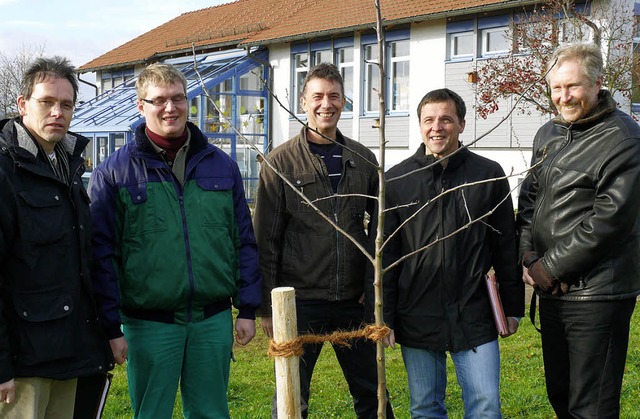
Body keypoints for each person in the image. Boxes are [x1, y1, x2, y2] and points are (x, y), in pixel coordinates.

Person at [88, 62, 261, 418]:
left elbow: (242, 240)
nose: (171, 108)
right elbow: (100, 255)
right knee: (151, 413)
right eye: (159, 100)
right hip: (149, 324)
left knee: (212, 412)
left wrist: (247, 308)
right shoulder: (115, 173)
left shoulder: (221, 166)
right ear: (141, 106)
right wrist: (110, 326)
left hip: (211, 321)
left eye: (179, 98)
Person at [254, 62, 394, 419]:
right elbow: (266, 239)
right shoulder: (280, 162)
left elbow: (381, 232)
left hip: (354, 300)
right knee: (291, 398)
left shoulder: (363, 159)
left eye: (333, 96)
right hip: (301, 302)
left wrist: (374, 292)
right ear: (303, 102)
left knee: (372, 394)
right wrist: (268, 307)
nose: (325, 104)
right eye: (317, 96)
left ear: (344, 102)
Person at [381, 88, 524, 417]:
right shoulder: (397, 181)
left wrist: (513, 307)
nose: (437, 127)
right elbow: (386, 257)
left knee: (485, 403)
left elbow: (505, 245)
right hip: (416, 313)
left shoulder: (487, 175)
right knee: (425, 406)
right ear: (419, 125)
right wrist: (385, 317)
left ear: (461, 124)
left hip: (474, 311)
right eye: (428, 120)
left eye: (446, 119)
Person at [518, 42, 640, 418]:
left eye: (572, 86)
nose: (563, 96)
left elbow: (609, 222)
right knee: (560, 395)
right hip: (553, 291)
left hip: (598, 294)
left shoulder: (623, 139)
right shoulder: (548, 133)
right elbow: (529, 200)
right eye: (556, 88)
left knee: (593, 405)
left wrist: (548, 267)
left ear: (598, 83)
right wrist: (527, 254)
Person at [0, 56, 114, 418]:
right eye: (46, 102)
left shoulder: (67, 163)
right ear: (22, 105)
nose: (57, 112)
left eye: (66, 104)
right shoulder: (6, 170)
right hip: (22, 363)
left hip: (67, 351)